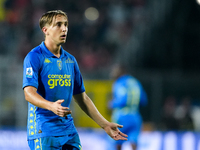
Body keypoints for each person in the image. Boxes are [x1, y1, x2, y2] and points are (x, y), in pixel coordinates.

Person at [22, 10, 127, 150]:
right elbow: (29, 93)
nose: (64, 28)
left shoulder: (70, 60)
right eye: (58, 25)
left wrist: (105, 124)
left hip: (68, 131)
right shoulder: (34, 57)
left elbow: (82, 98)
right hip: (43, 131)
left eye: (65, 24)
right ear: (45, 30)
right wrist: (51, 106)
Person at [109, 64, 147, 150]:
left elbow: (123, 99)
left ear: (120, 71)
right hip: (135, 116)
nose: (113, 73)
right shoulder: (135, 82)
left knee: (117, 141)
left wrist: (112, 104)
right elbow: (144, 100)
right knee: (133, 142)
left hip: (121, 116)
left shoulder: (119, 83)